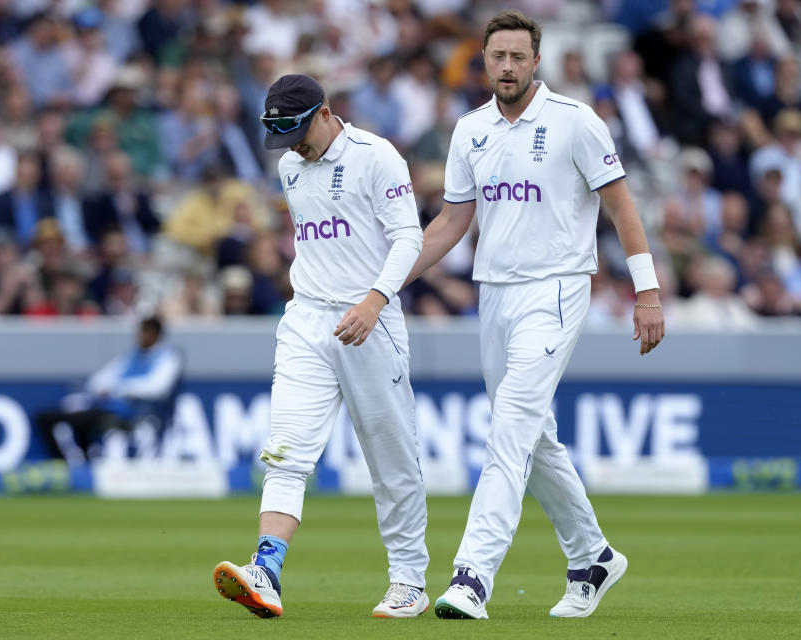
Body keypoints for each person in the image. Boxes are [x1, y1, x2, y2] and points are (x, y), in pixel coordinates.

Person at [405, 10, 665, 620]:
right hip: (493, 293)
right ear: (485, 59)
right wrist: (383, 285)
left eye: (519, 56)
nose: (508, 66)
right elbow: (450, 223)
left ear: (536, 61)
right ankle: (592, 555)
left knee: (510, 429)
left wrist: (647, 292)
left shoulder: (577, 122)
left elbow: (623, 208)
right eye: (498, 56)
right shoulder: (469, 130)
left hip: (556, 290)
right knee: (530, 433)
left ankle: (472, 576)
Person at [212, 74, 429, 619]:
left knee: (391, 460)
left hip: (370, 323)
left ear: (325, 113)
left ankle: (409, 580)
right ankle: (266, 569)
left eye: (298, 133)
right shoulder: (290, 165)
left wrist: (375, 300)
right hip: (306, 320)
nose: (292, 148)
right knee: (285, 452)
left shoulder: (377, 156)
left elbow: (409, 237)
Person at [36, 315, 183, 463]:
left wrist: (120, 389)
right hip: (106, 408)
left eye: (144, 332)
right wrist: (102, 388)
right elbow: (100, 379)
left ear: (155, 333)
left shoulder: (167, 357)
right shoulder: (132, 356)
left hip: (135, 414)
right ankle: (70, 463)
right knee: (48, 418)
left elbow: (157, 388)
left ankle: (78, 464)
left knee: (83, 420)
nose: (140, 336)